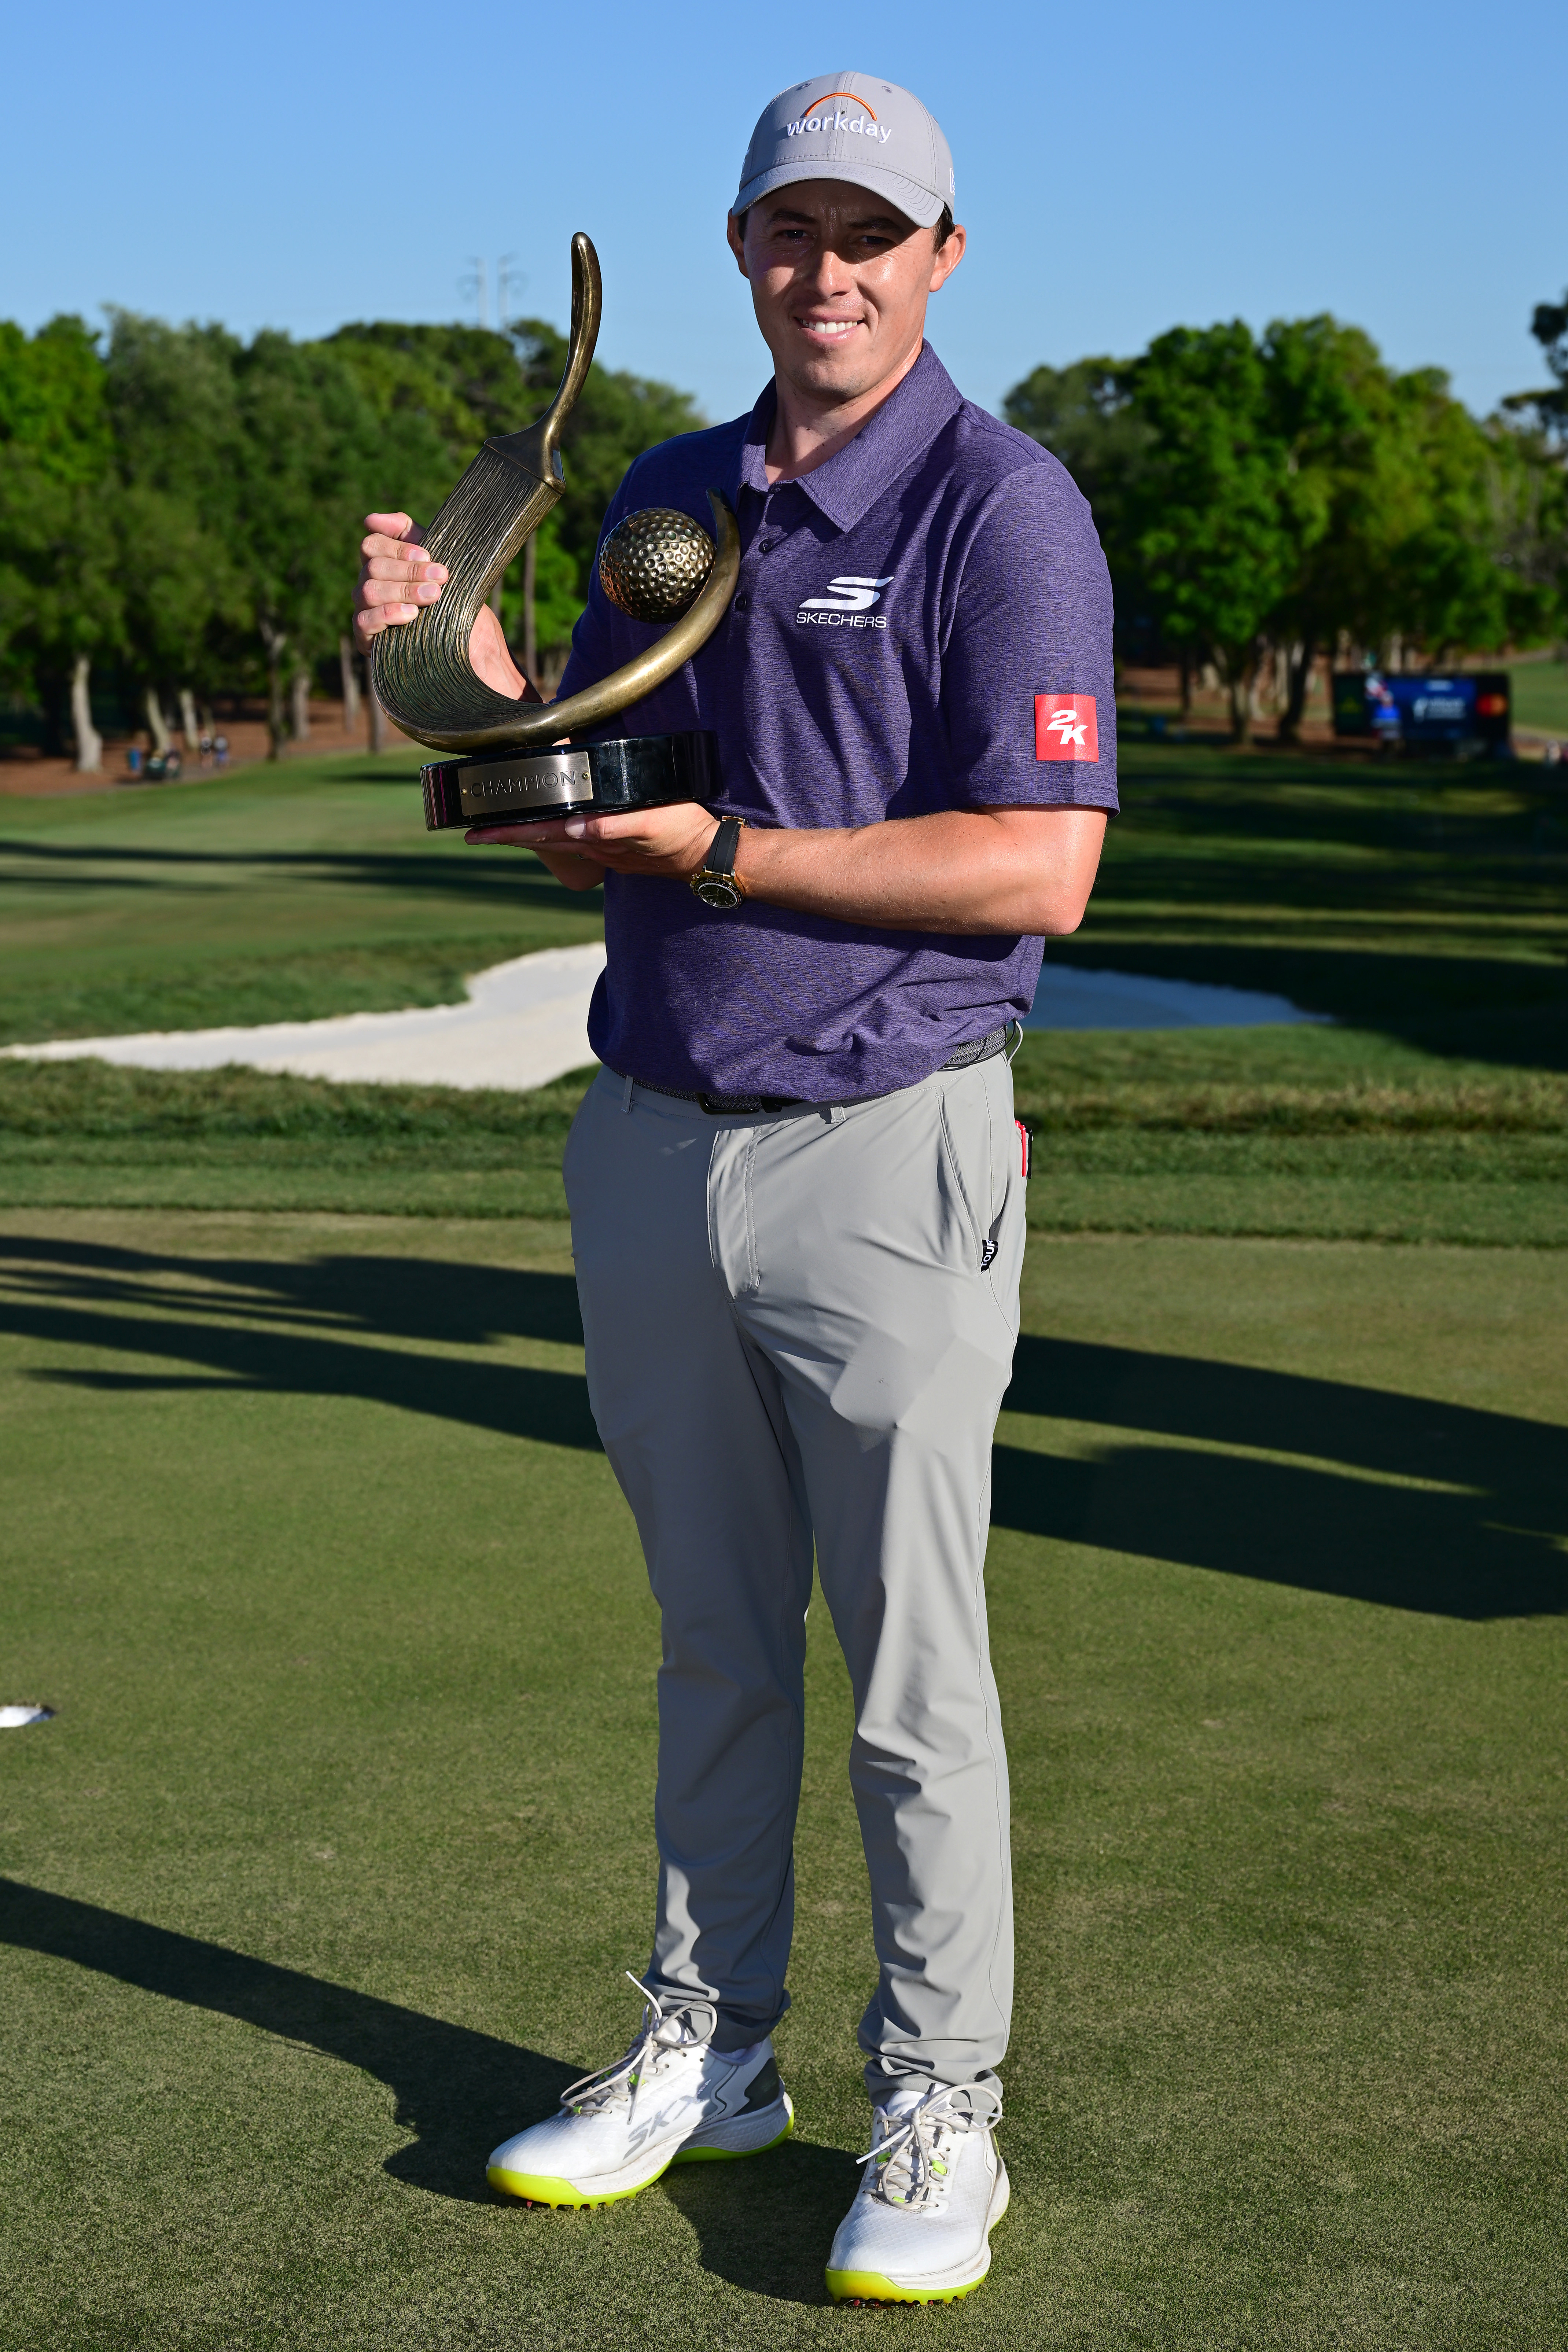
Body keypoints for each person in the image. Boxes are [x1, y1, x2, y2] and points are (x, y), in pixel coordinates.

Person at [354, 71, 1116, 2307]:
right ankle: (717, 2048)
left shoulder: (1004, 505)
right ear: (742, 247)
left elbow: (1034, 861)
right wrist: (447, 665)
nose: (831, 268)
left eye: (873, 232)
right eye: (793, 228)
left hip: (888, 1145)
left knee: (911, 1674)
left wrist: (731, 854)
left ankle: (940, 2094)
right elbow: (568, 783)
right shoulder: (680, 496)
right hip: (652, 1138)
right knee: (713, 1642)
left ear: (943, 256)